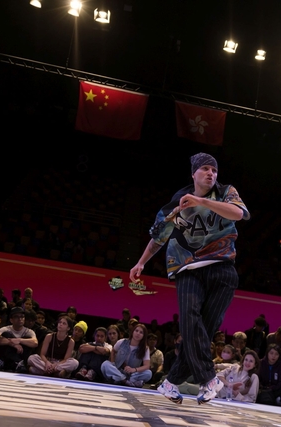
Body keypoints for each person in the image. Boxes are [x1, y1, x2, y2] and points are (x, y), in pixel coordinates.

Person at [130, 152, 250, 405]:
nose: (211, 173)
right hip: (188, 267)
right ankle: (209, 378)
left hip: (223, 267)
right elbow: (159, 237)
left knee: (203, 332)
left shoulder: (226, 192)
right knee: (189, 321)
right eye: (205, 169)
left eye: (214, 170)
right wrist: (141, 262)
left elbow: (238, 214)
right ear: (193, 173)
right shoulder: (178, 204)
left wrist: (202, 202)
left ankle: (171, 382)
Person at [101, 323, 152, 388]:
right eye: (136, 331)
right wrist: (113, 363)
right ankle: (125, 380)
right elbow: (113, 351)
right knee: (105, 364)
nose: (138, 333)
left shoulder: (145, 348)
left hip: (132, 373)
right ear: (133, 332)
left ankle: (123, 379)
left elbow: (147, 366)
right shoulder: (122, 342)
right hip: (118, 370)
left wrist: (134, 369)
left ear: (143, 336)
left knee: (148, 373)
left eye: (141, 332)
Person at [0, 306, 39, 372]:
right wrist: (12, 344)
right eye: (16, 317)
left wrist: (19, 340)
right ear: (11, 320)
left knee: (28, 339)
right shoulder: (6, 328)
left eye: (22, 317)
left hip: (20, 356)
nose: (20, 319)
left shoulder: (29, 331)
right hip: (5, 357)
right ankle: (7, 362)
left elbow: (35, 343)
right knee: (6, 334)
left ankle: (18, 363)